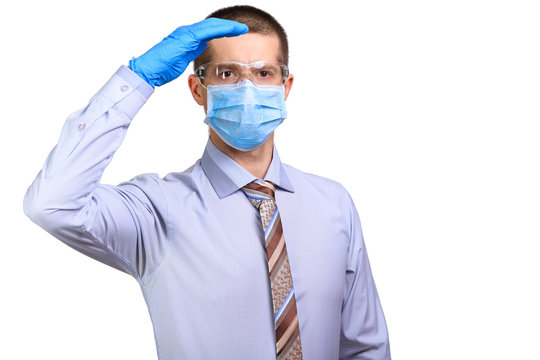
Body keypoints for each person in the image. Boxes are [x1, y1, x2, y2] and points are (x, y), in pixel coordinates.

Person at [23, 5, 391, 360]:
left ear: (285, 86)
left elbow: (364, 346)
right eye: (227, 73)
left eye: (263, 73)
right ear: (199, 90)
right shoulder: (157, 211)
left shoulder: (333, 203)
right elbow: (51, 204)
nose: (247, 88)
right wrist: (139, 80)